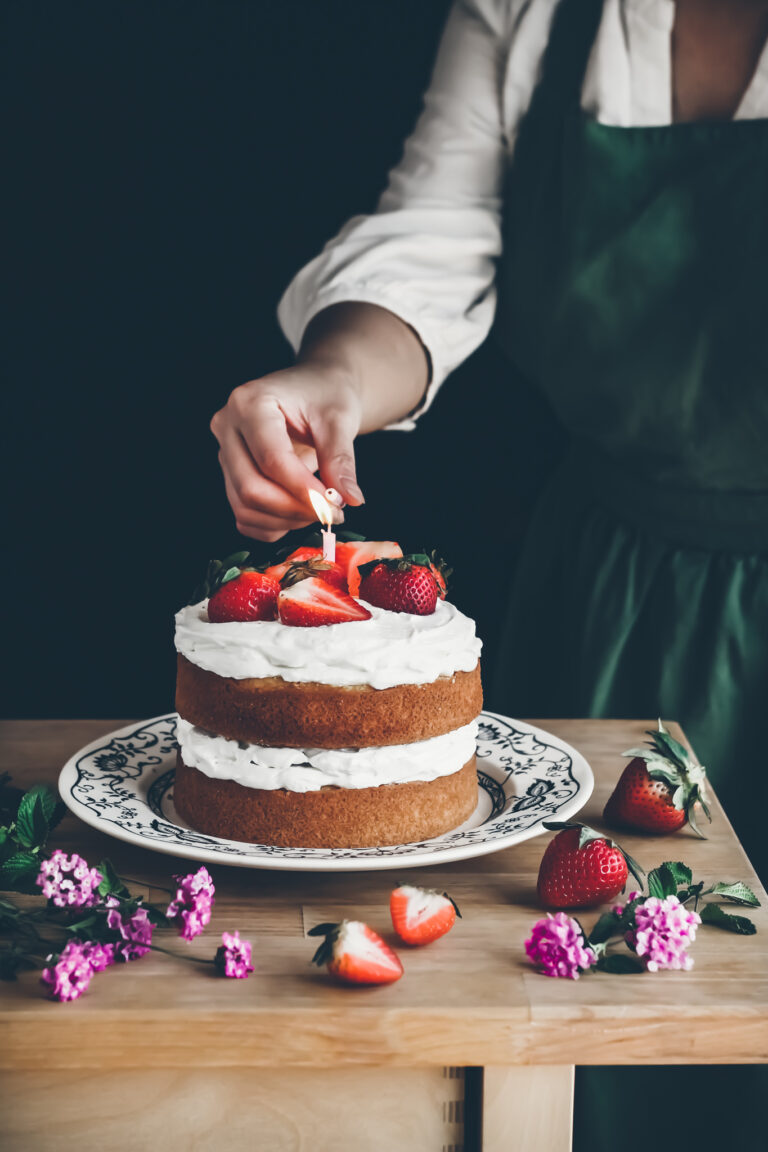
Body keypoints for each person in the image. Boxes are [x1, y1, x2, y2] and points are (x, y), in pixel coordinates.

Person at [210, 2, 768, 1148]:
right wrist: (332, 382)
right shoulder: (532, 11)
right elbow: (432, 240)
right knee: (590, 1065)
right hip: (608, 609)